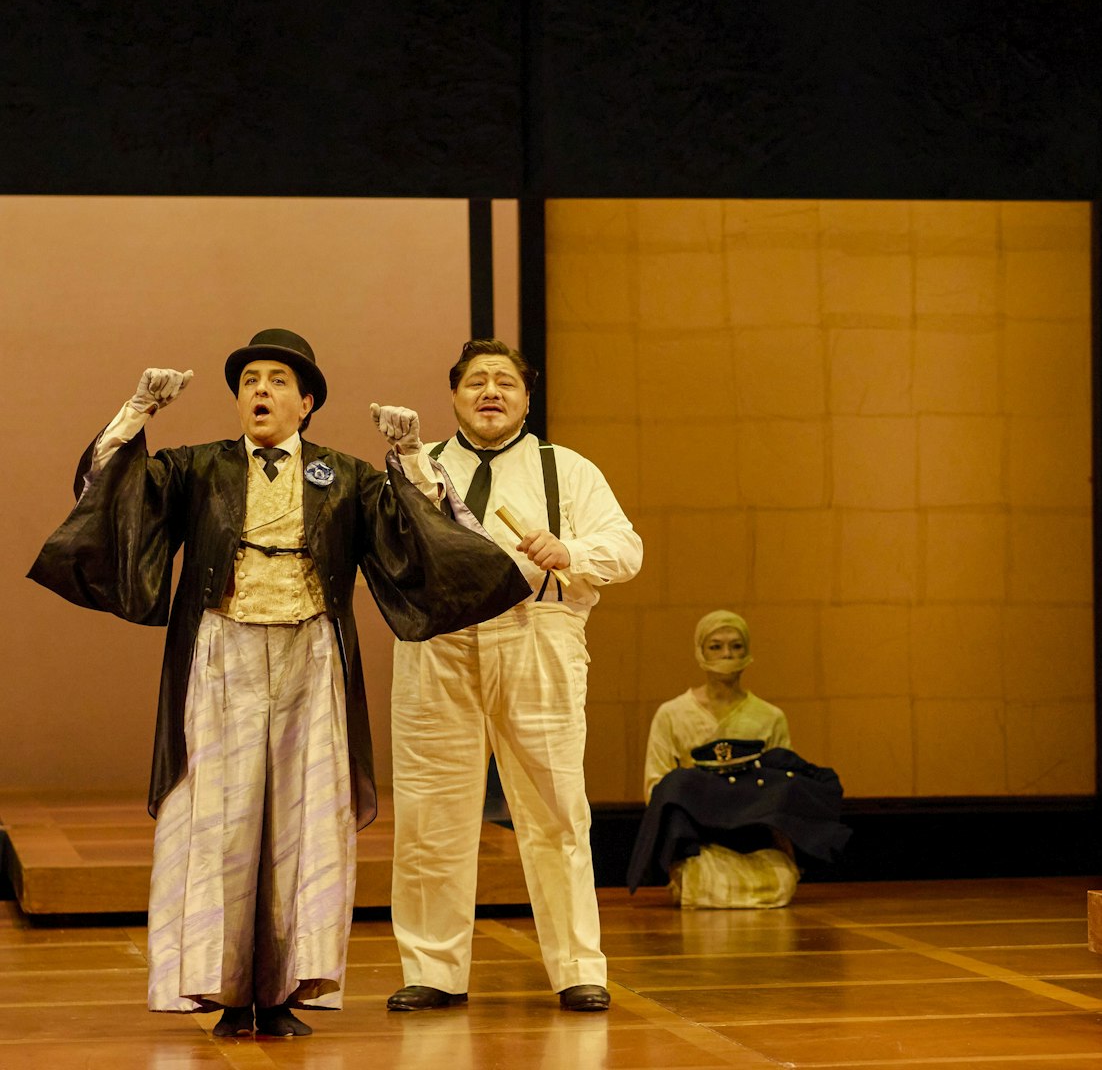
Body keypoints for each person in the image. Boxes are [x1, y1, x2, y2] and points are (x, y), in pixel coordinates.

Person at [27, 329, 531, 1038]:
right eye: (249, 381)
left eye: (277, 381)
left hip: (312, 654)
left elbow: (428, 537)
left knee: (305, 820)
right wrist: (136, 412)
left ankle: (288, 989)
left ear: (307, 402)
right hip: (220, 655)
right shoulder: (197, 469)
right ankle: (223, 987)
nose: (260, 391)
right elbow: (106, 495)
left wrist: (411, 457)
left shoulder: (346, 476)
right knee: (219, 820)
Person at [386, 338, 642, 1014]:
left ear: (527, 399)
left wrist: (571, 550)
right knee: (430, 814)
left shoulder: (568, 470)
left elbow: (626, 548)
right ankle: (433, 969)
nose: (490, 391)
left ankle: (578, 967)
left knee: (556, 809)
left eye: (505, 381)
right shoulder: (419, 466)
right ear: (454, 395)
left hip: (538, 635)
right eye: (476, 381)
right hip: (437, 645)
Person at [634, 609, 840, 909]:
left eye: (736, 646)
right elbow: (657, 785)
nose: (727, 654)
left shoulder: (770, 717)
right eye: (715, 646)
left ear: (748, 650)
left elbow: (782, 790)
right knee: (701, 885)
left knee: (776, 884)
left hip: (754, 837)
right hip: (700, 839)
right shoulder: (672, 715)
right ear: (700, 651)